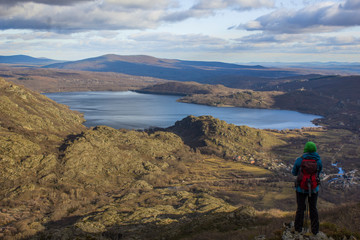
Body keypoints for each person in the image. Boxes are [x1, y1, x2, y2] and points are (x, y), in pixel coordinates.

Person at [292, 141, 322, 235]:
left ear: (305, 149)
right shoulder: (318, 161)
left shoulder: (299, 160)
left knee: (300, 208)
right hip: (313, 189)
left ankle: (298, 229)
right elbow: (318, 173)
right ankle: (315, 230)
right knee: (313, 209)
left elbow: (294, 173)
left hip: (300, 189)